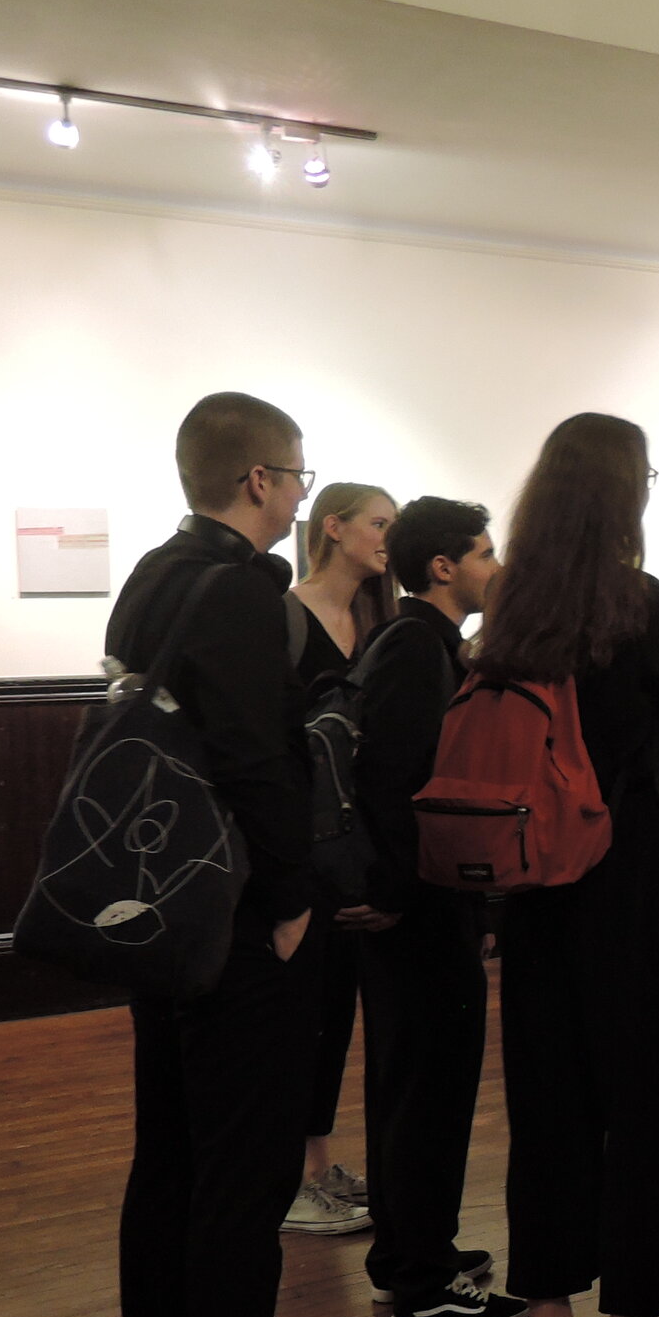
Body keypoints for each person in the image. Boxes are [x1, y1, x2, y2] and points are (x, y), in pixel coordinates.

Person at [112, 390, 381, 1317]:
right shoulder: (234, 590)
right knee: (243, 1170)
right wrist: (288, 900)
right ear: (262, 481)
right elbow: (255, 762)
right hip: (232, 920)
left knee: (172, 1155)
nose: (299, 495)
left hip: (162, 908)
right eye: (299, 478)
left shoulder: (153, 576)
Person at [485, 413, 659, 1317]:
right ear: (622, 495)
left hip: (533, 885)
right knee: (644, 1103)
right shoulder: (642, 605)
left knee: (546, 1100)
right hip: (625, 884)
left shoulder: (505, 611)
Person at [347, 497, 519, 1317]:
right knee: (427, 1087)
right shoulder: (417, 648)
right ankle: (421, 1281)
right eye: (485, 552)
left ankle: (408, 1256)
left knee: (412, 1082)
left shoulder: (419, 642)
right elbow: (398, 781)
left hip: (416, 899)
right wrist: (395, 892)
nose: (496, 565)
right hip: (415, 906)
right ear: (443, 567)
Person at [282, 481, 398, 1237]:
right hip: (301, 842)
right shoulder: (284, 616)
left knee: (340, 1010)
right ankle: (296, 1172)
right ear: (335, 527)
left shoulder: (382, 619)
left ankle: (319, 1163)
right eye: (379, 523)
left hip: (364, 843)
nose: (390, 535)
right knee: (303, 1011)